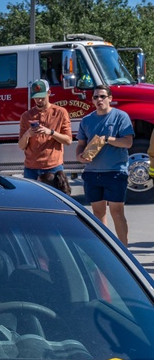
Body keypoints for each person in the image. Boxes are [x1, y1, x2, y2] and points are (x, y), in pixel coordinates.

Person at [76, 85, 134, 243]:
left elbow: (128, 142)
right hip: (92, 173)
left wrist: (106, 139)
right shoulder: (87, 120)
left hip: (115, 172)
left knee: (117, 212)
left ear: (110, 98)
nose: (99, 100)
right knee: (98, 213)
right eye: (96, 97)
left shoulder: (121, 117)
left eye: (102, 96)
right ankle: (107, 252)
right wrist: (80, 157)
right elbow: (81, 144)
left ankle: (124, 251)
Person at [19, 79, 72, 184]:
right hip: (31, 168)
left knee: (54, 199)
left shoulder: (60, 112)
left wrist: (50, 132)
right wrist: (27, 135)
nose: (38, 100)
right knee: (31, 199)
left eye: (41, 97)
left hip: (53, 167)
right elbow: (21, 146)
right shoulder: (26, 116)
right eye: (36, 98)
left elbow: (68, 141)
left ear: (49, 93)